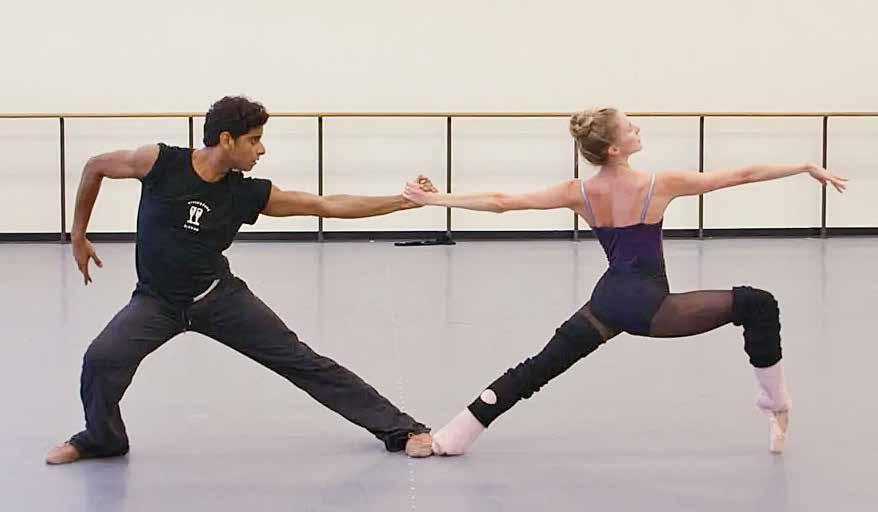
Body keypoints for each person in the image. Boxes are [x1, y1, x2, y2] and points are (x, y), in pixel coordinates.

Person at [403, 107, 848, 456]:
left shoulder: (578, 192)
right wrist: (803, 165)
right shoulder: (660, 184)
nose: (638, 129)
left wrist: (434, 199)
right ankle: (776, 403)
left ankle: (449, 438)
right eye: (630, 127)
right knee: (759, 304)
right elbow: (740, 175)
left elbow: (502, 201)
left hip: (608, 301)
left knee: (537, 369)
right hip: (652, 307)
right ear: (615, 148)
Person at [46, 96, 438, 464]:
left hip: (218, 299)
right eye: (254, 140)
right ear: (226, 139)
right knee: (102, 359)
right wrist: (78, 234)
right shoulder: (160, 162)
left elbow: (326, 205)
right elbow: (95, 166)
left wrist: (403, 201)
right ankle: (103, 438)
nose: (261, 150)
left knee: (301, 361)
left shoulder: (247, 193)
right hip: (156, 302)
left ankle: (401, 429)